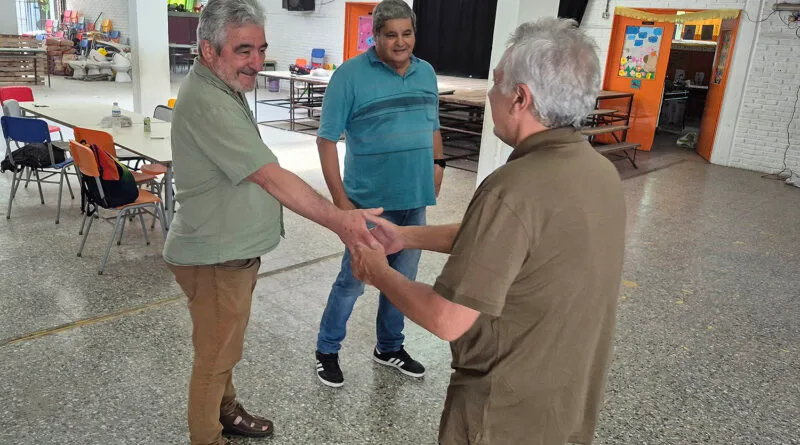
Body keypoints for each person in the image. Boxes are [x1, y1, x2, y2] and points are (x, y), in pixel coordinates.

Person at [350, 18, 627, 445]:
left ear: (520, 98)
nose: (492, 93)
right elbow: (509, 241)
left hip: (501, 412)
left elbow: (446, 319)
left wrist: (378, 272)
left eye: (497, 83)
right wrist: (406, 237)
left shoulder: (513, 188)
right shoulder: (600, 172)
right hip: (566, 404)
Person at [162, 1, 382, 444]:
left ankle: (226, 412)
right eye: (244, 50)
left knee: (223, 348)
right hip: (216, 257)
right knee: (215, 359)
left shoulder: (221, 84)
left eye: (261, 49)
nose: (257, 62)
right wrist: (341, 220)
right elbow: (270, 177)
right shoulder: (210, 101)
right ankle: (208, 436)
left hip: (229, 251)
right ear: (208, 50)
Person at [313, 0, 445, 388]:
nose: (400, 42)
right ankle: (326, 350)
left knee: (401, 281)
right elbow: (325, 141)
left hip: (414, 201)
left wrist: (439, 164)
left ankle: (389, 347)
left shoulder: (426, 72)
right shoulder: (349, 76)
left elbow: (433, 125)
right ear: (375, 36)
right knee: (353, 281)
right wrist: (342, 205)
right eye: (391, 35)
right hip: (369, 206)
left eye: (407, 33)